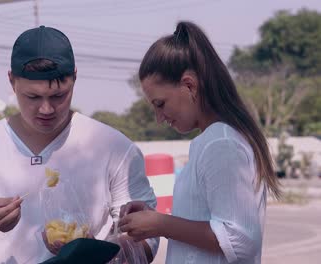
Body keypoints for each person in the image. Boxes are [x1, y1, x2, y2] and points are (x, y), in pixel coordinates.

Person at [0, 25, 158, 264]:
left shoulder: (114, 147)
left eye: (58, 96)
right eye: (32, 97)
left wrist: (96, 253)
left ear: (74, 77)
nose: (46, 109)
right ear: (12, 81)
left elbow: (148, 240)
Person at [118, 21, 281, 264]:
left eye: (160, 104)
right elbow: (207, 225)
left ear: (189, 85)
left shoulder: (221, 144)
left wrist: (161, 224)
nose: (159, 117)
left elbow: (240, 241)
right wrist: (154, 219)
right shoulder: (212, 140)